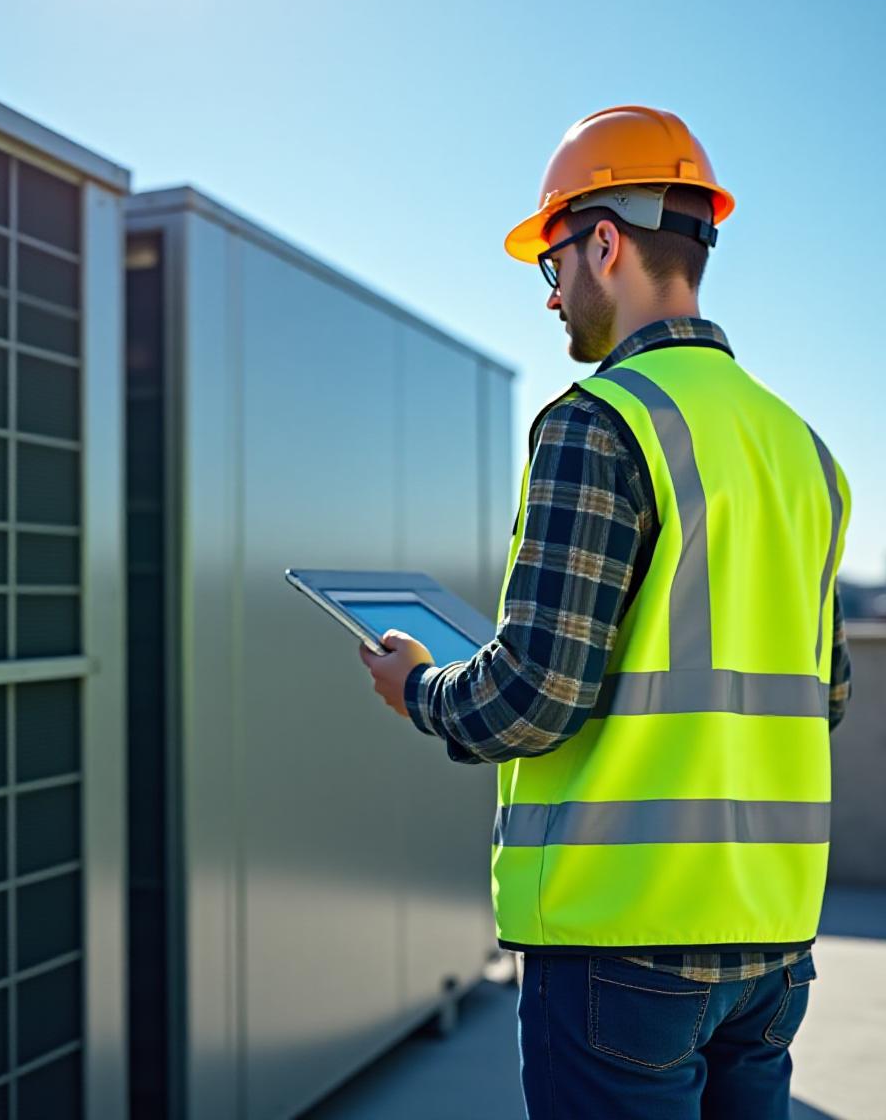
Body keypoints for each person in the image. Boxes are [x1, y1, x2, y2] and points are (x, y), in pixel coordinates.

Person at [360, 105, 852, 1120]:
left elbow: (533, 697)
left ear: (602, 240)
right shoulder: (799, 448)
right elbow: (823, 695)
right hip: (769, 944)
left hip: (618, 949)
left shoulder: (597, 423)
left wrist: (417, 685)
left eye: (551, 265)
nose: (550, 299)